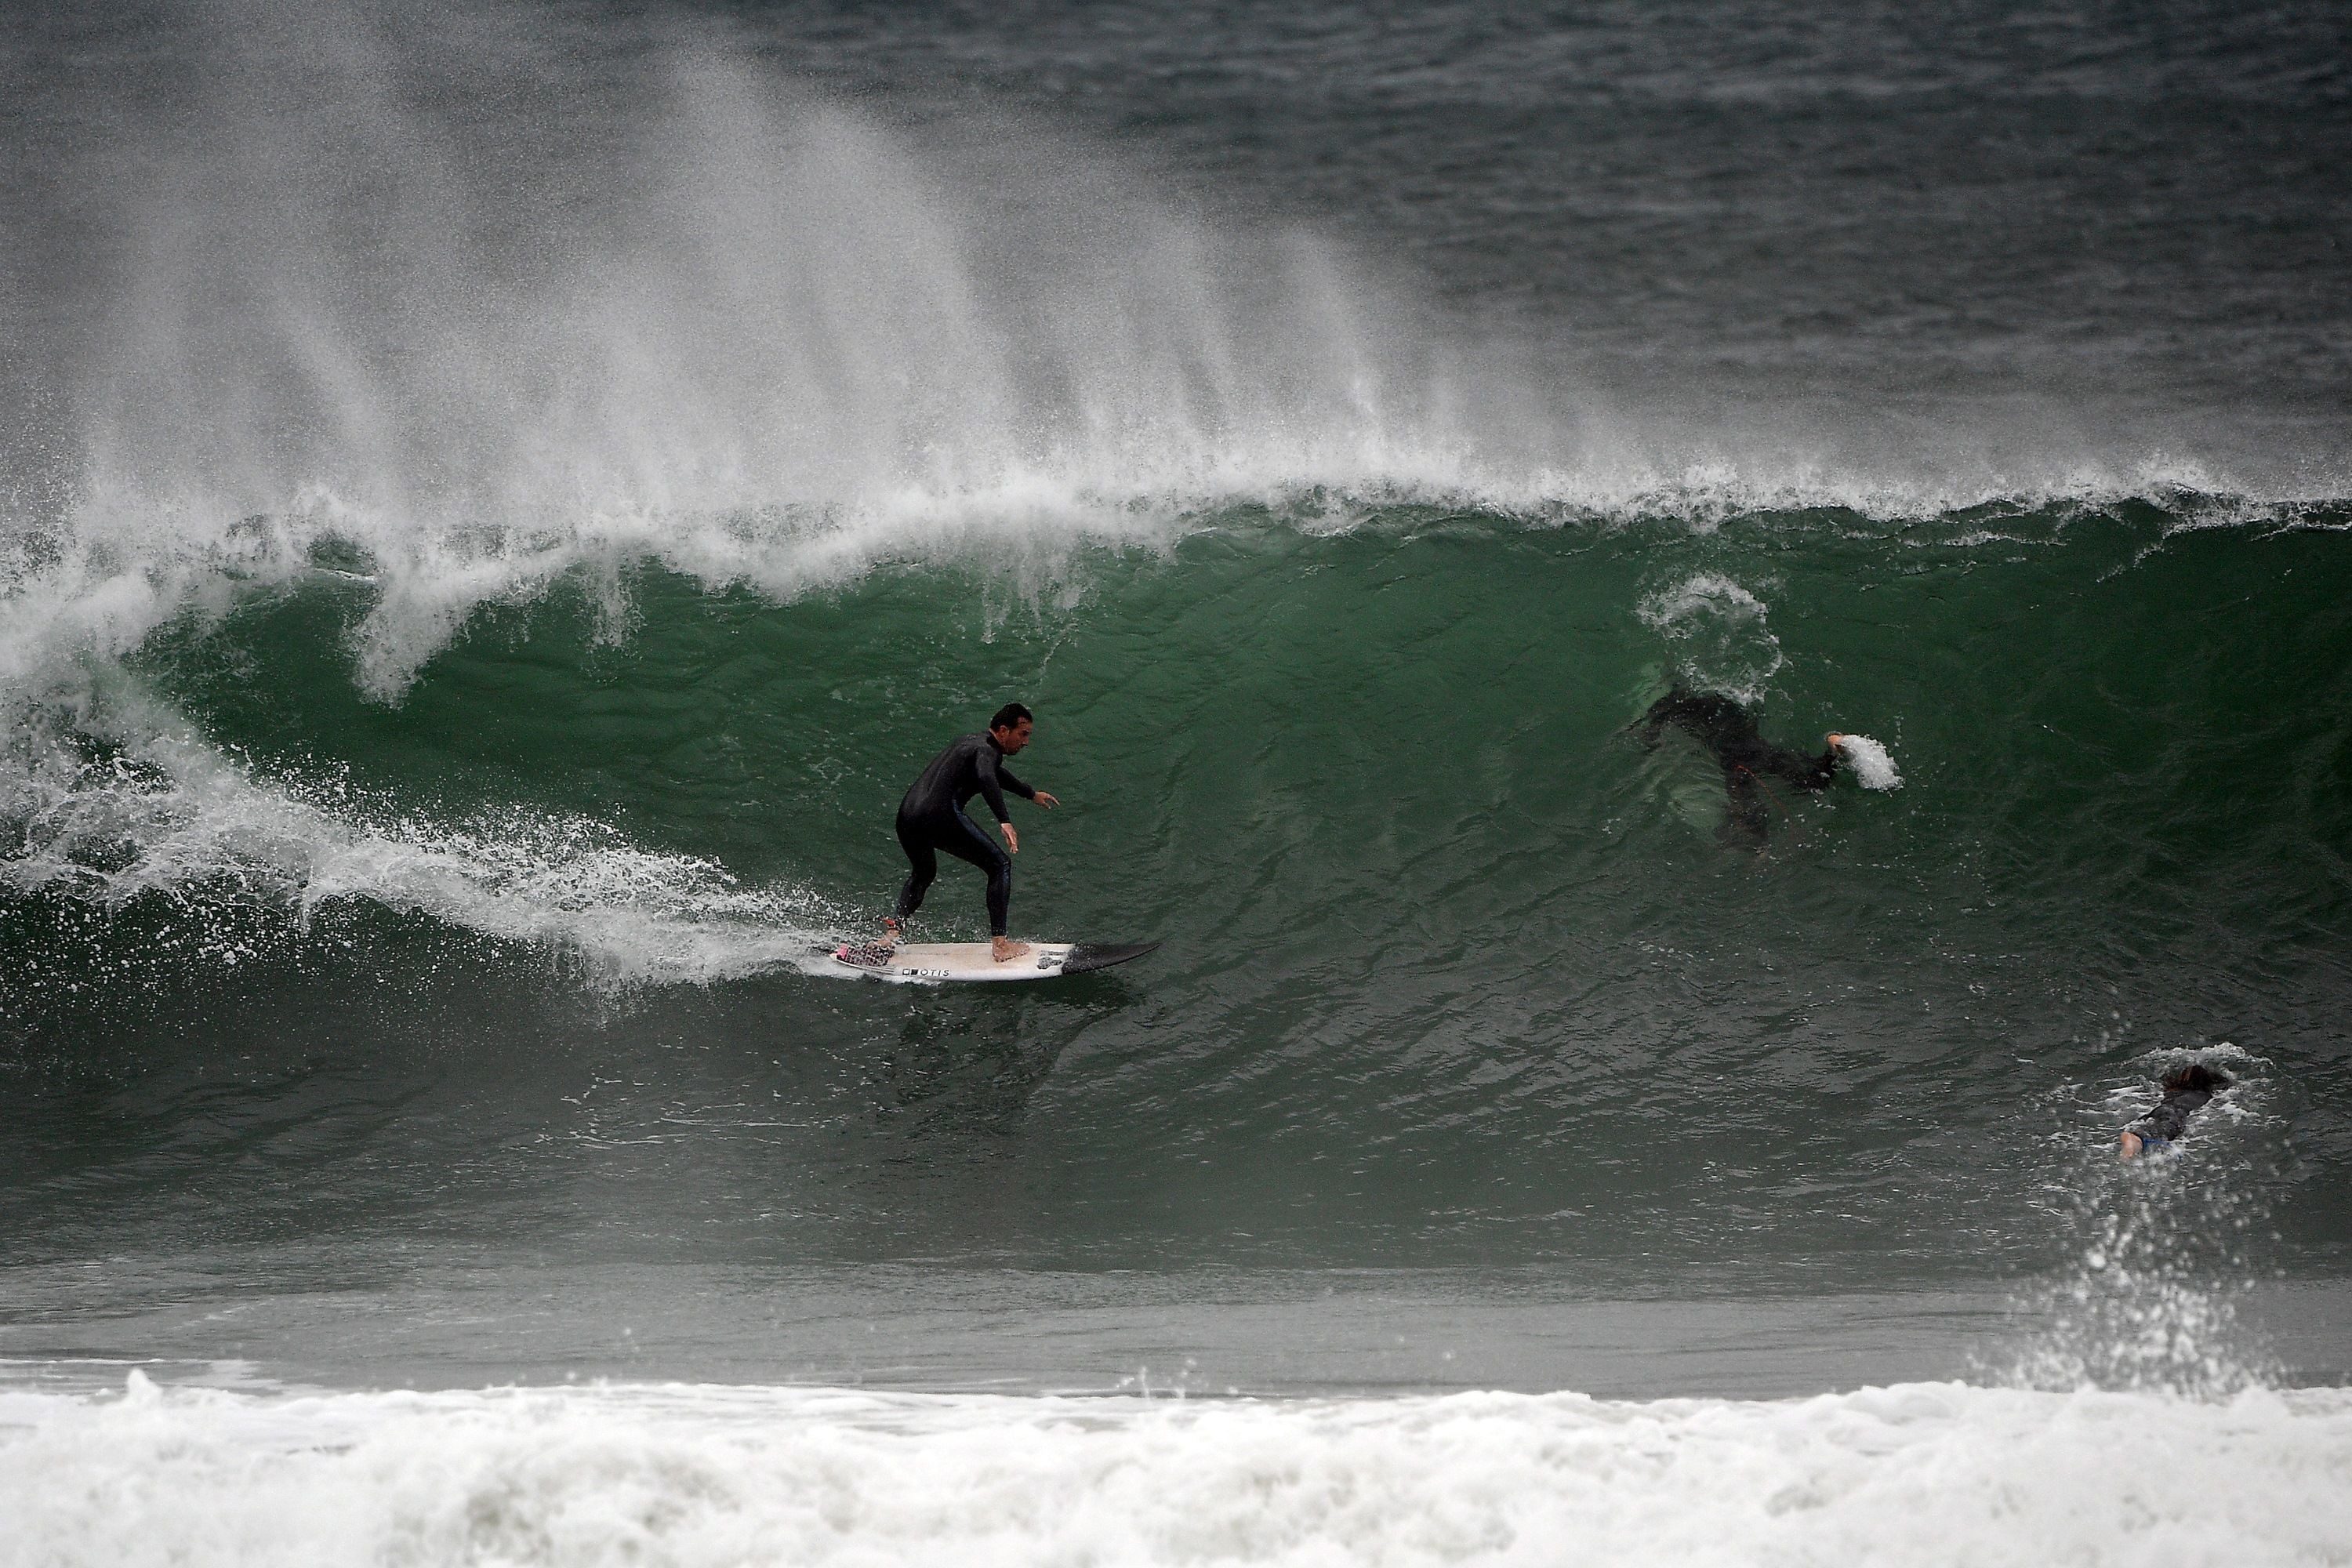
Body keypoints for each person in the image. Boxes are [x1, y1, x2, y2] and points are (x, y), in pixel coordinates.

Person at [882, 702, 1060, 963]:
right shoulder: (988, 753)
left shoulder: (972, 743)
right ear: (1003, 730)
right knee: (1000, 865)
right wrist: (1004, 820)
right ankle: (1001, 945)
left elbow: (995, 774)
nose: (1026, 742)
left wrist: (1030, 794)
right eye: (1023, 734)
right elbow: (987, 776)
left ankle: (892, 933)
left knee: (924, 872)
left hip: (908, 816)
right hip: (938, 816)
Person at [1636, 687, 1845, 843]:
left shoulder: (1680, 702)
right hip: (1757, 746)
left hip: (1735, 760)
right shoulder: (1725, 697)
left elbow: (1656, 720)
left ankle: (1758, 848)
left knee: (1744, 808)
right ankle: (1833, 749)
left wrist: (1650, 737)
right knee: (1813, 782)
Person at [2119, 1062, 2234, 1160]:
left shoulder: (2172, 1092)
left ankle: (2131, 1141)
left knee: (2144, 1129)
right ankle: (2132, 1143)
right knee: (2155, 1132)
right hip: (2176, 1113)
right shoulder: (2205, 1095)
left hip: (2160, 1109)